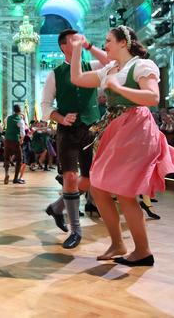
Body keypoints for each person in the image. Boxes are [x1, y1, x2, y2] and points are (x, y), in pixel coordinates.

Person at [70, 25, 174, 266]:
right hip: (117, 129)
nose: (104, 45)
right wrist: (75, 51)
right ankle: (118, 243)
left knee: (124, 193)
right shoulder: (111, 69)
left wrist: (118, 88)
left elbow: (153, 97)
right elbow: (77, 79)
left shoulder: (142, 66)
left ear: (123, 42)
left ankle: (143, 251)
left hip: (136, 128)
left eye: (108, 41)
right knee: (98, 187)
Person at [41, 29, 109, 249]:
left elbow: (110, 61)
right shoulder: (55, 74)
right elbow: (45, 106)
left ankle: (57, 207)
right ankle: (75, 230)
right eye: (74, 40)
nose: (79, 42)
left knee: (89, 180)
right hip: (67, 131)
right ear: (64, 47)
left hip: (90, 129)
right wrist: (61, 117)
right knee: (70, 176)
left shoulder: (94, 67)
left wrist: (89, 46)